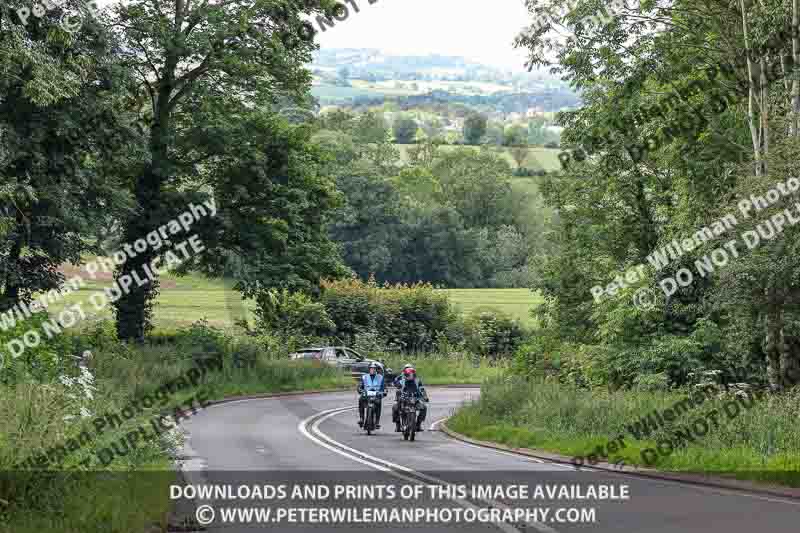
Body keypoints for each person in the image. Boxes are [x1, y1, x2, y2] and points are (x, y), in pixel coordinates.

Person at [392, 365, 428, 432]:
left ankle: (418, 424)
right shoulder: (401, 381)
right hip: (404, 400)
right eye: (408, 374)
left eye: (412, 374)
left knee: (424, 407)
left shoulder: (417, 381)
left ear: (414, 374)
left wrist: (425, 397)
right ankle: (398, 425)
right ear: (405, 373)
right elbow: (396, 384)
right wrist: (397, 382)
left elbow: (422, 389)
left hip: (415, 400)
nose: (410, 376)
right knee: (395, 408)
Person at [358, 363, 386, 429]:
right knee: (360, 400)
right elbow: (360, 386)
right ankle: (361, 419)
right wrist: (360, 390)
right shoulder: (364, 377)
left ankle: (377, 422)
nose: (372, 370)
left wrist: (384, 392)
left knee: (379, 403)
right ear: (369, 369)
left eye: (374, 369)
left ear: (376, 370)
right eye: (371, 368)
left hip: (376, 395)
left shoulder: (380, 377)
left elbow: (384, 388)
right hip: (366, 395)